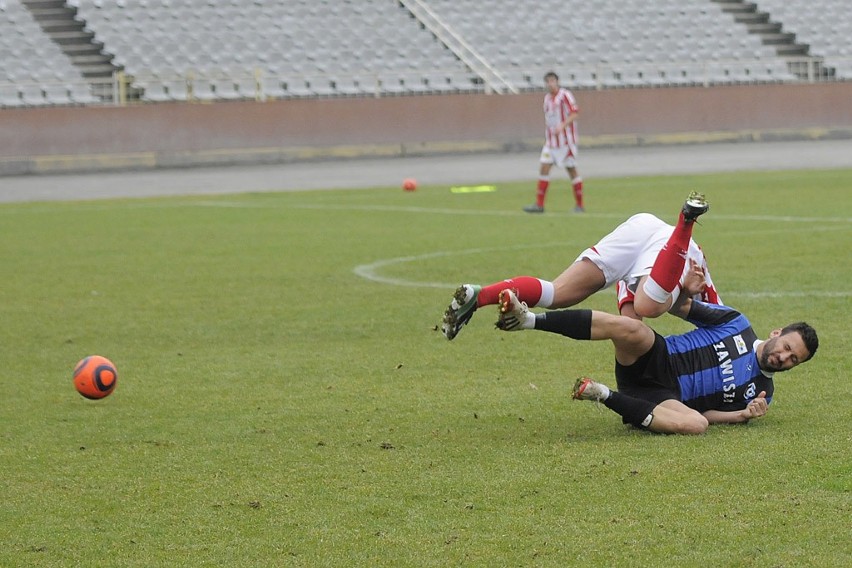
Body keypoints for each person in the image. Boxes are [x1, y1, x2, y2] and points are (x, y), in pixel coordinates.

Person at [494, 272, 819, 435]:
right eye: (788, 348)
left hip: (667, 397)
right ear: (777, 333)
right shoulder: (737, 323)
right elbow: (681, 307)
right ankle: (528, 320)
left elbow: (707, 415)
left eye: (794, 359)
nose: (784, 358)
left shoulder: (764, 392)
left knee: (695, 426)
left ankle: (602, 394)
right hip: (657, 356)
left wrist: (743, 415)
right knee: (631, 328)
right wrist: (685, 289)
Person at [442, 192, 718, 340]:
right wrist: (683, 287)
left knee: (557, 293)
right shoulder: (717, 303)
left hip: (640, 226)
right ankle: (686, 223)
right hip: (676, 251)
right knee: (650, 307)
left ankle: (481, 295)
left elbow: (630, 324)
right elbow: (718, 318)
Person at [523, 71, 584, 214]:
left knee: (572, 170)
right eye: (548, 81)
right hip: (551, 142)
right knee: (544, 167)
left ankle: (580, 205)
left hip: (566, 142)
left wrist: (562, 125)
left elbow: (575, 113)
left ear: (557, 81)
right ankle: (539, 205)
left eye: (552, 81)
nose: (550, 84)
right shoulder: (547, 99)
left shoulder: (565, 95)